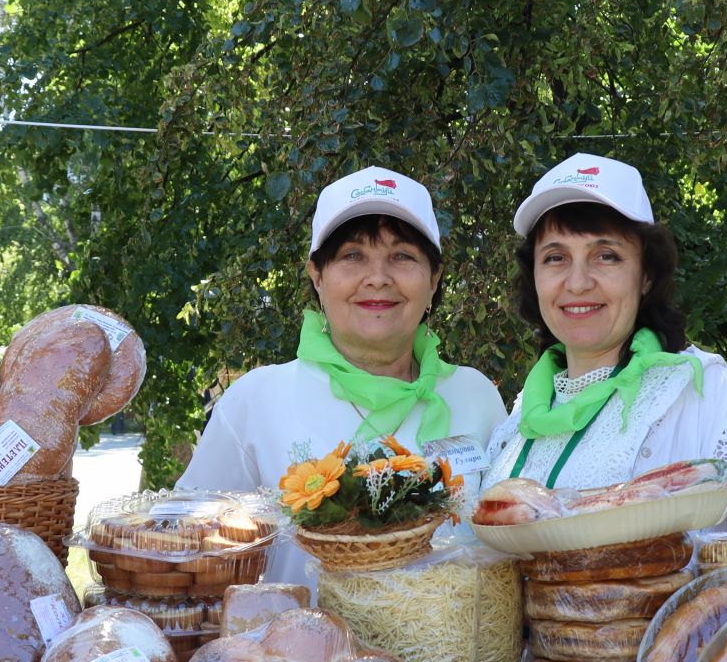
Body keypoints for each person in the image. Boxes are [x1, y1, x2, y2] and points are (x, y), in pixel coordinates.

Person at [180, 167, 506, 584]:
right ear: (317, 276)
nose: (378, 278)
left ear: (434, 279)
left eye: (402, 256)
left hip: (457, 650)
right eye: (353, 255)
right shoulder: (255, 402)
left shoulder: (474, 394)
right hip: (303, 650)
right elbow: (188, 549)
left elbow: (505, 542)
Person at [486, 154, 727, 529]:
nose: (577, 282)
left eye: (606, 256)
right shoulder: (522, 415)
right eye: (555, 257)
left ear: (646, 276)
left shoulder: (711, 401)